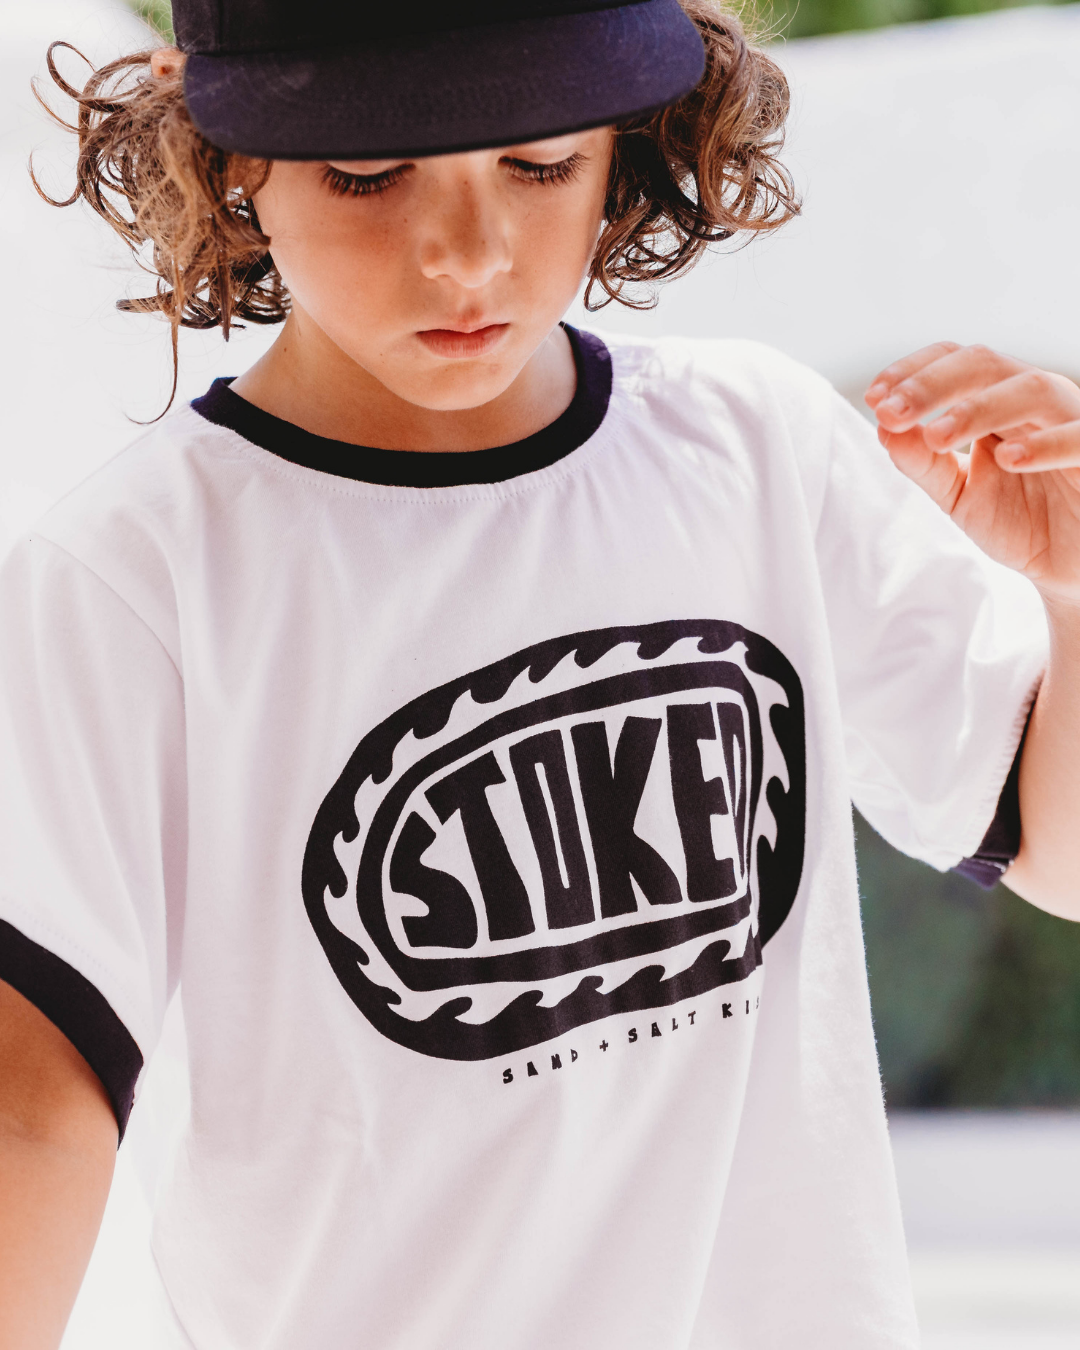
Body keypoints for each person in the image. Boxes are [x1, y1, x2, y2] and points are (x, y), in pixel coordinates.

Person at [0, 0, 1077, 1344]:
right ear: (222, 151)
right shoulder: (139, 576)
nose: (469, 253)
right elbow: (34, 1103)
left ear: (626, 145)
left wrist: (1073, 586)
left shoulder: (756, 451)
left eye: (540, 165)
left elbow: (1056, 845)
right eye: (371, 174)